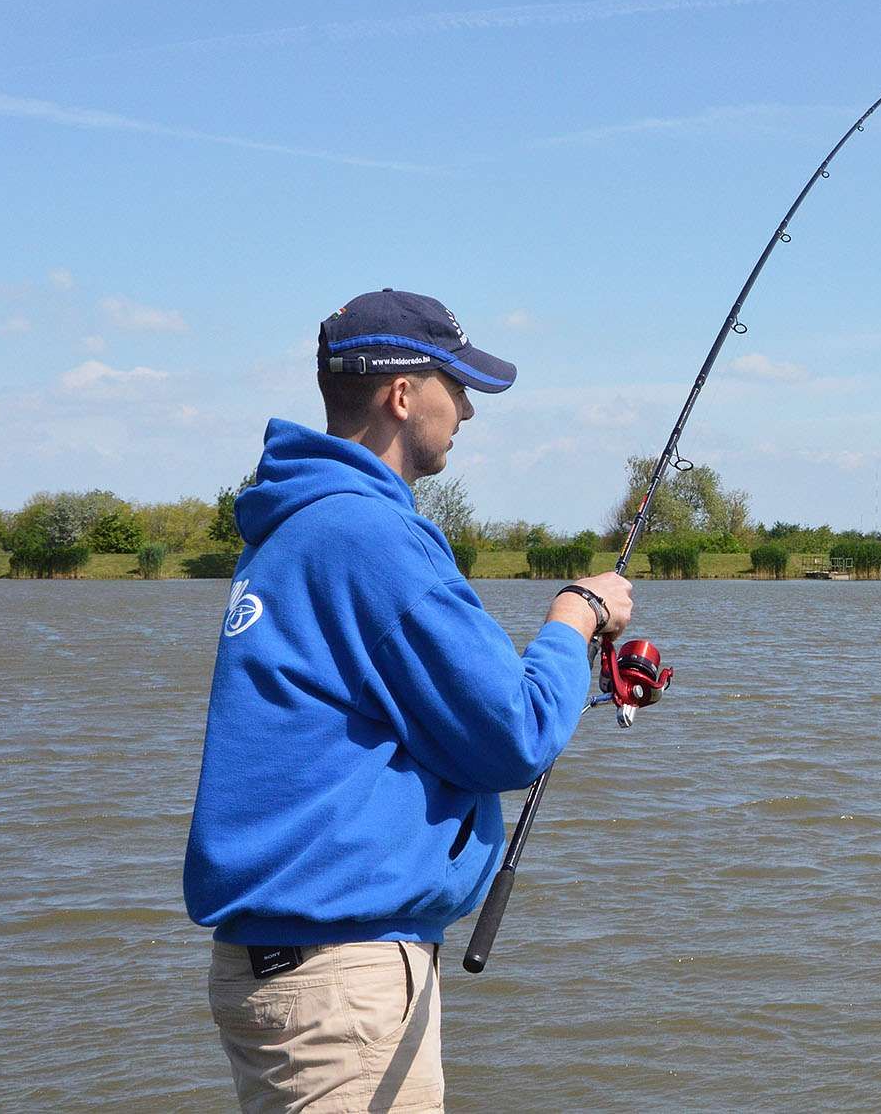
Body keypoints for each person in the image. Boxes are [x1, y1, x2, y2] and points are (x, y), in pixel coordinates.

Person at [183, 288, 634, 1112]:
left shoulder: (295, 525)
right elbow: (513, 736)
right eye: (456, 386)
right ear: (402, 395)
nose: (465, 409)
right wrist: (578, 617)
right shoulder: (368, 535)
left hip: (298, 969)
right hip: (339, 984)